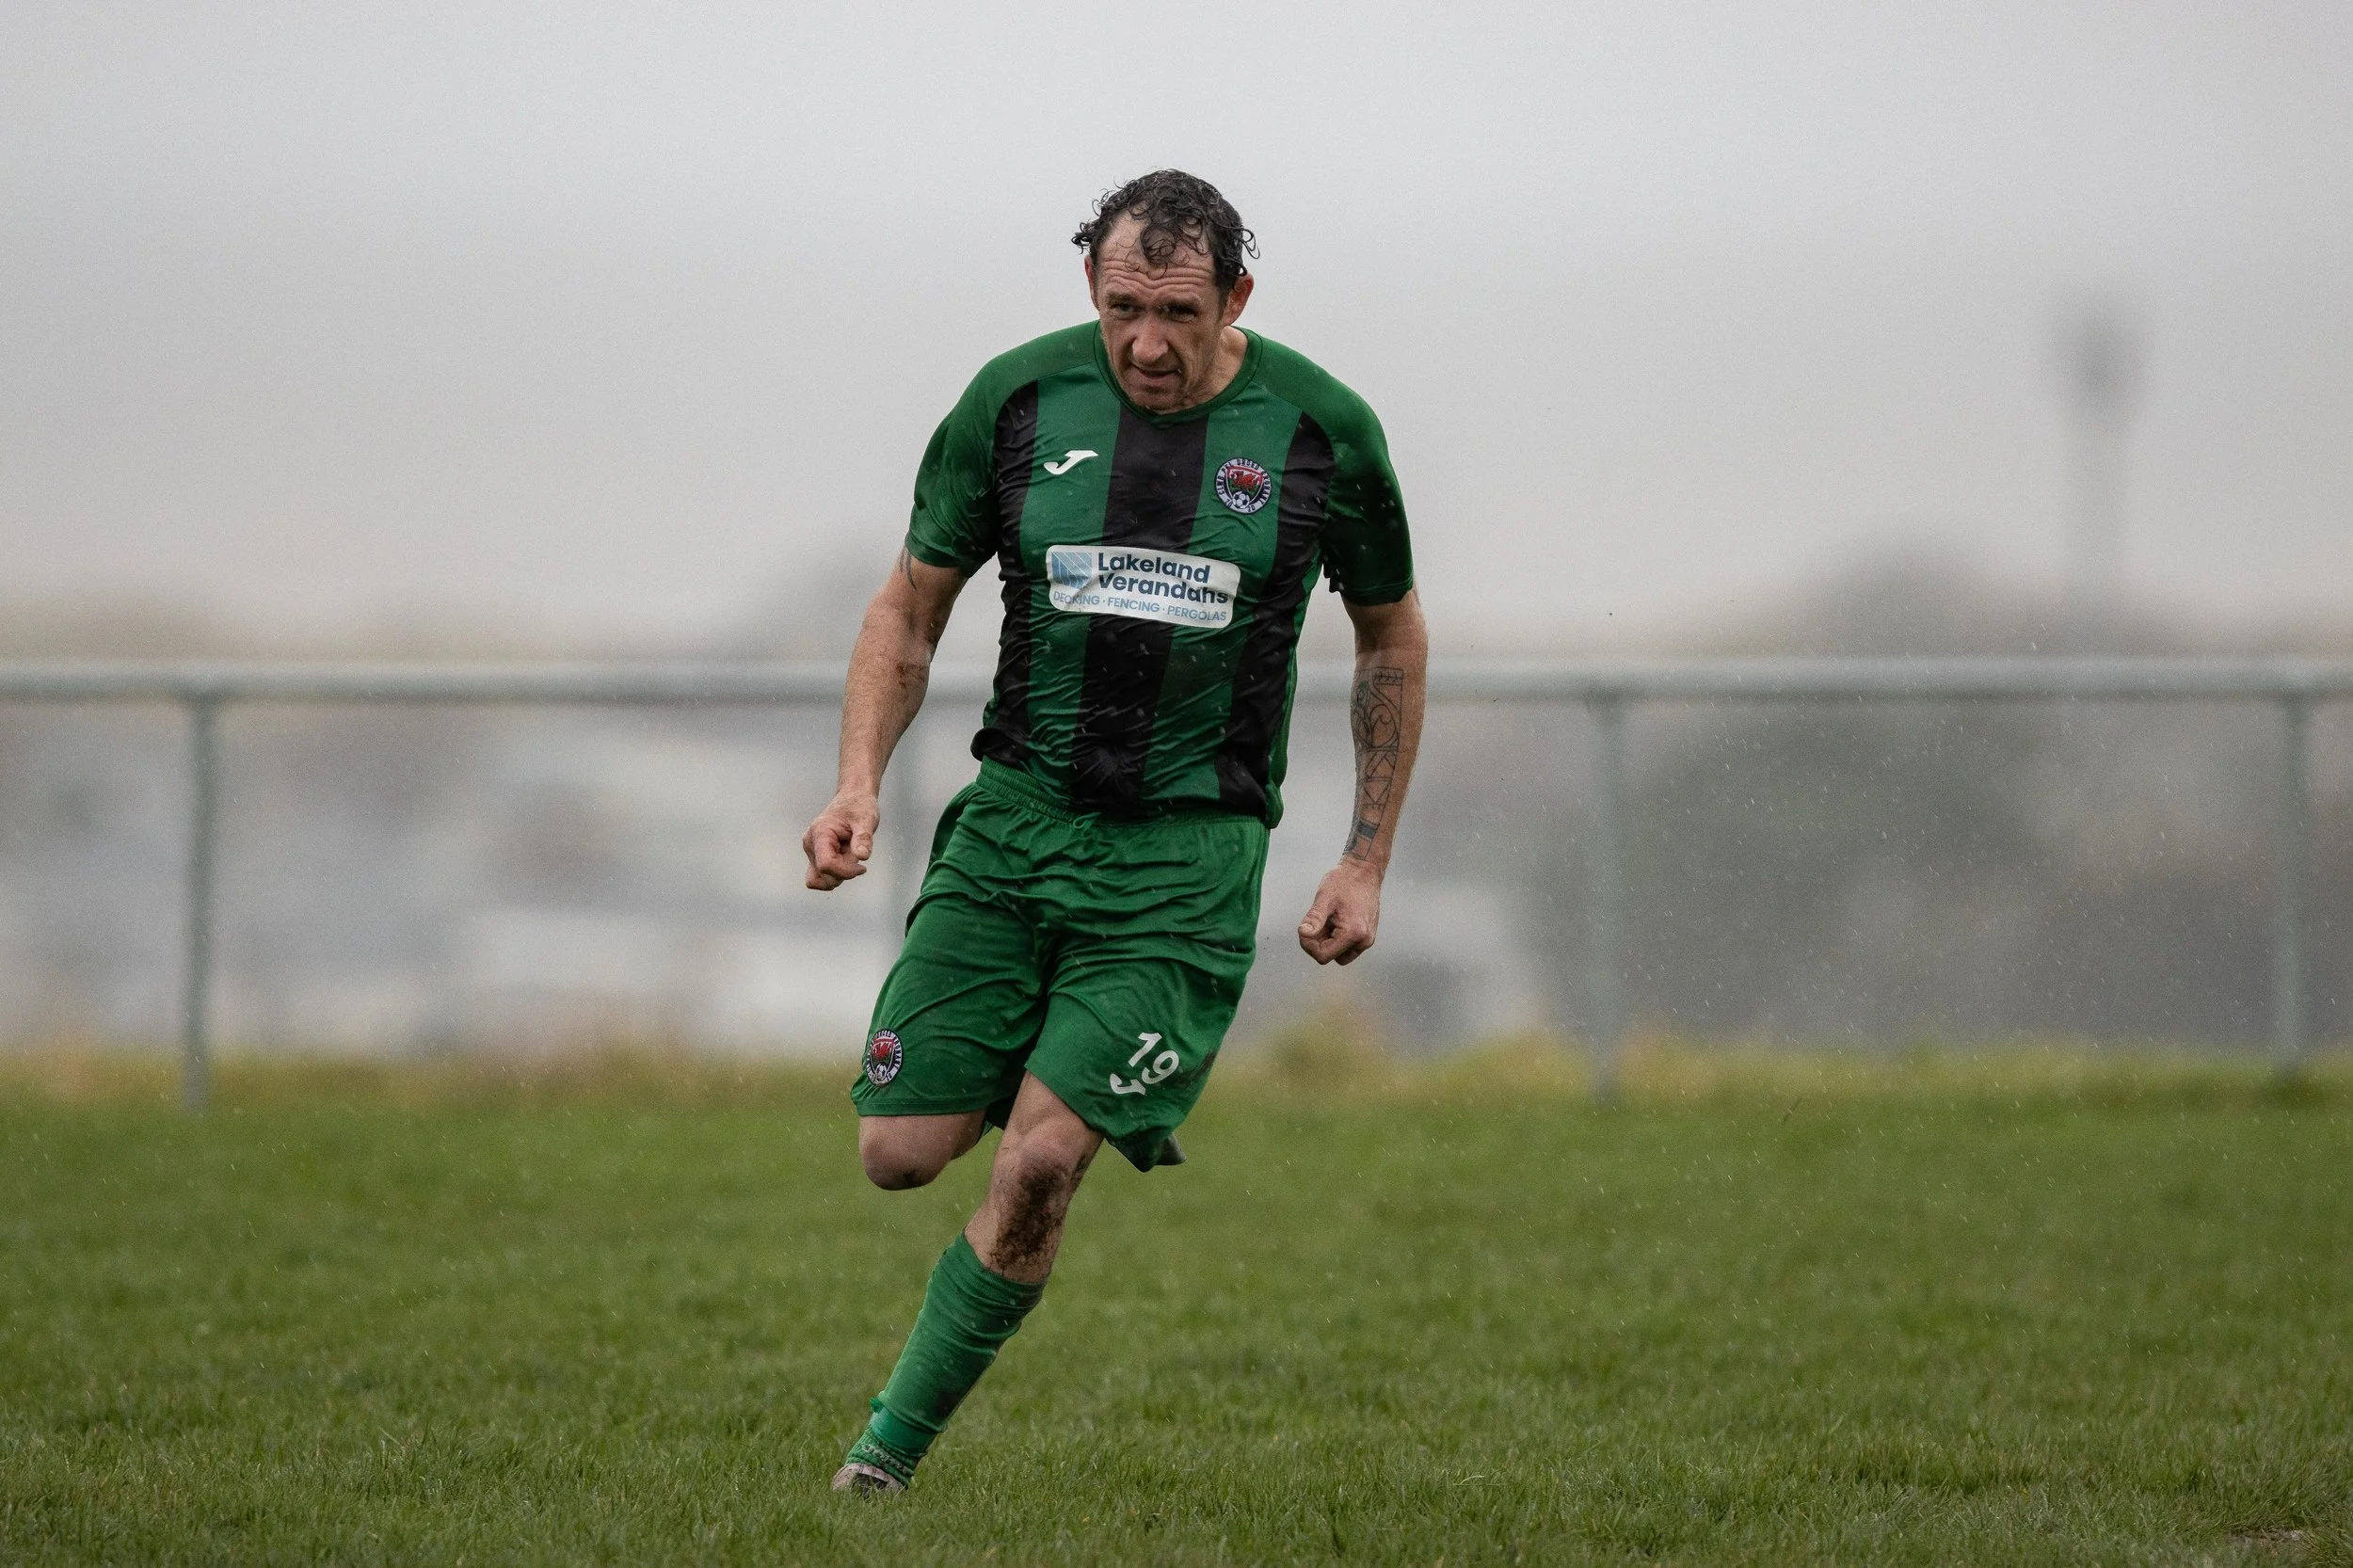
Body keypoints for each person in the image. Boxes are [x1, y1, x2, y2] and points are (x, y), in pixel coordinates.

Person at [802, 169, 1427, 1495]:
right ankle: (1038, 1041)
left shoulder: (1325, 431)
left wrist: (1366, 855)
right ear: (1091, 288)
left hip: (1183, 866)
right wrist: (858, 780)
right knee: (898, 1152)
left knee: (1036, 1167)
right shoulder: (1018, 401)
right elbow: (909, 607)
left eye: (1179, 312)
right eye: (1122, 306)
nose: (1146, 341)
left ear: (1236, 298)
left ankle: (881, 1463)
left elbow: (1391, 635)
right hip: (1015, 825)